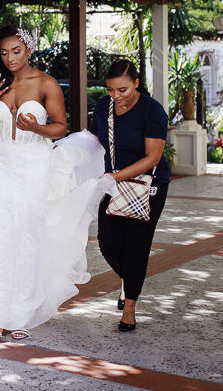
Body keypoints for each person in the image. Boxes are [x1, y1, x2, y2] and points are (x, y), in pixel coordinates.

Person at [0, 25, 108, 342]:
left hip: (34, 164)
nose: (10, 58)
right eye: (4, 52)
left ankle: (21, 313)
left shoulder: (46, 84)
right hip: (0, 163)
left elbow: (61, 128)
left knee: (26, 234)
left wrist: (37, 127)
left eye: (16, 51)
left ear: (29, 50)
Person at [88, 59, 169, 332]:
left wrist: (116, 176)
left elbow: (153, 157)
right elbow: (95, 141)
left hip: (148, 185)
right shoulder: (103, 108)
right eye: (110, 90)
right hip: (113, 184)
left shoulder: (152, 111)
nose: (116, 96)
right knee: (107, 244)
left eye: (122, 90)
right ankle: (130, 279)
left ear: (136, 83)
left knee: (137, 246)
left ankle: (130, 307)